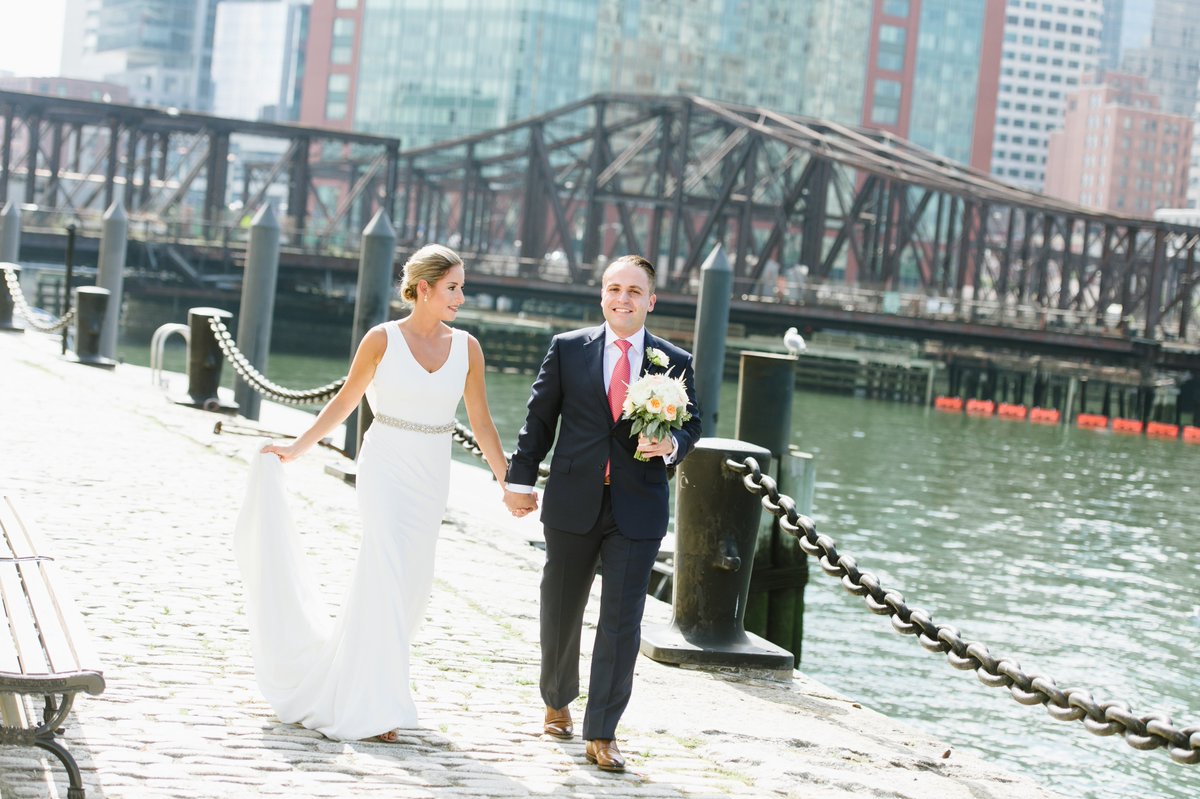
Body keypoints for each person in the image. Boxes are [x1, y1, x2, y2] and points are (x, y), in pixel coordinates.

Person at [234, 244, 509, 743]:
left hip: (431, 474)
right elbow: (346, 400)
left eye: (462, 288)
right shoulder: (382, 340)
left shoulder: (467, 347)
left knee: (411, 587)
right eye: (453, 288)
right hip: (384, 468)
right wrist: (297, 448)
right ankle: (374, 704)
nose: (461, 297)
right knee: (381, 574)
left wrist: (506, 482)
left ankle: (368, 683)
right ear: (422, 289)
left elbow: (483, 423)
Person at [503, 254, 702, 772]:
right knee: (561, 607)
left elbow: (694, 422)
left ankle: (603, 731)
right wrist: (520, 481)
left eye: (634, 291)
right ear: (602, 296)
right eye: (614, 288)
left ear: (651, 301)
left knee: (622, 622)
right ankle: (556, 699)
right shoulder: (568, 349)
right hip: (572, 501)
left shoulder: (673, 360)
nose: (623, 298)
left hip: (637, 508)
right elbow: (539, 420)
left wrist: (673, 445)